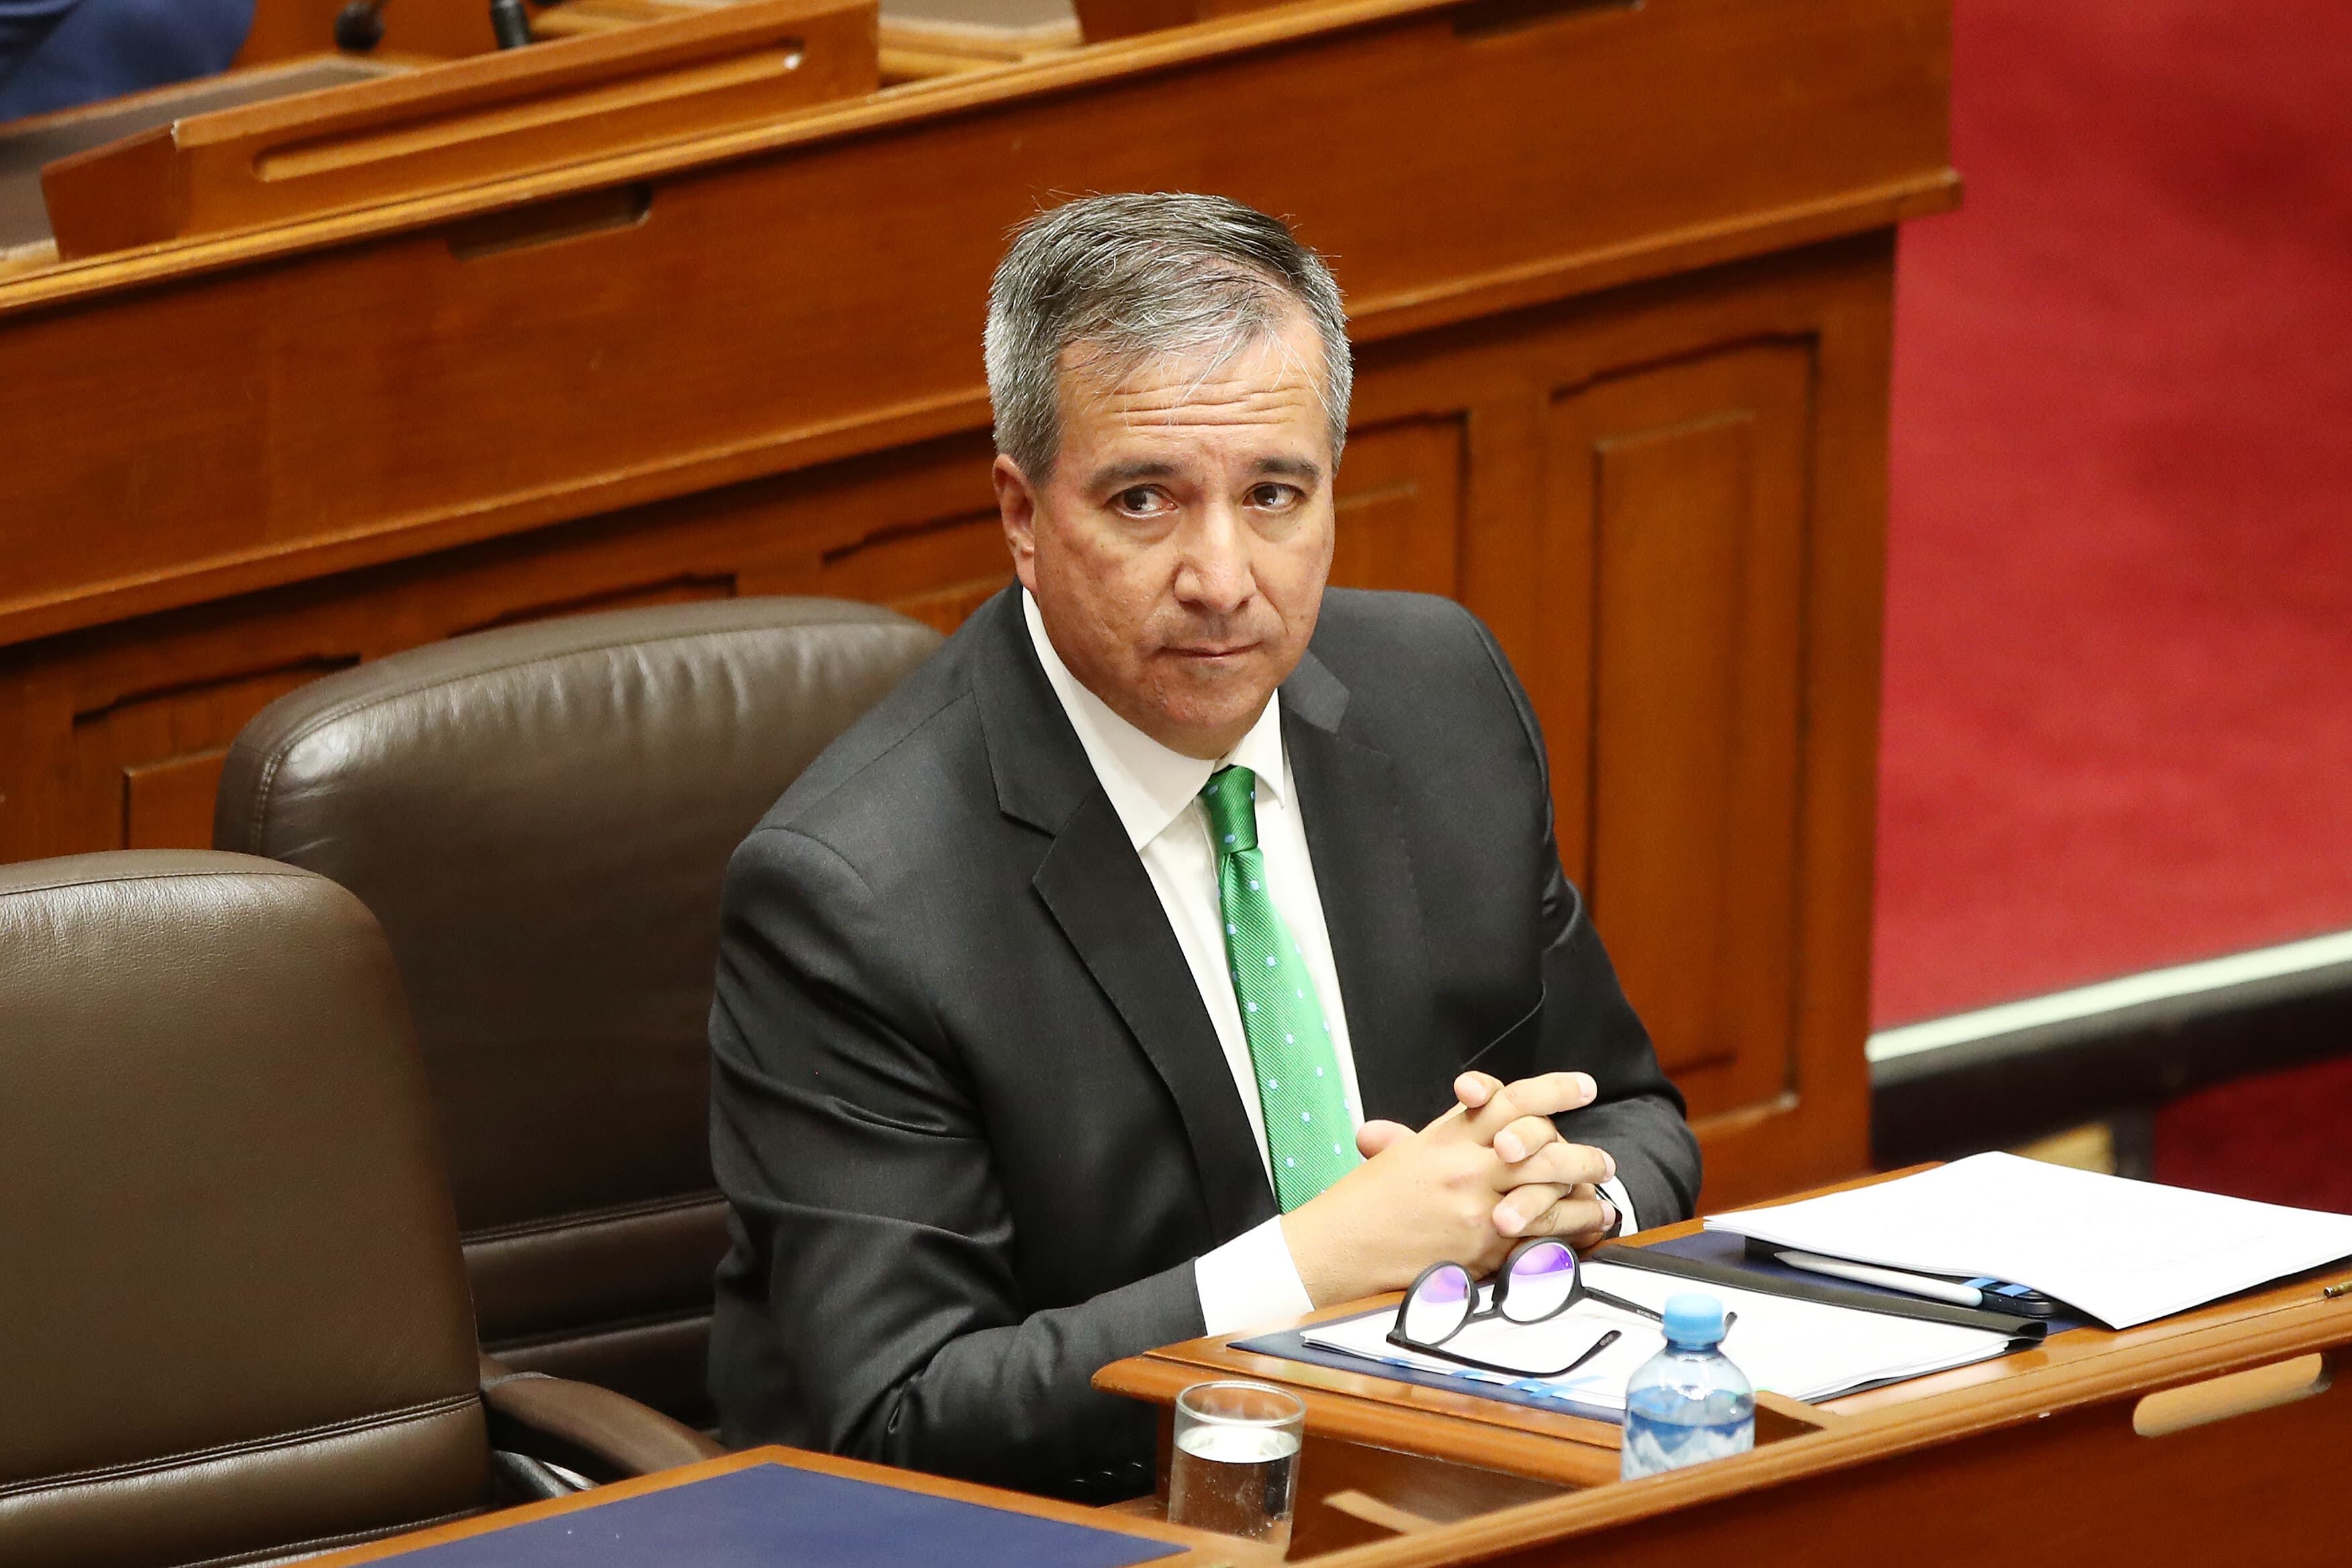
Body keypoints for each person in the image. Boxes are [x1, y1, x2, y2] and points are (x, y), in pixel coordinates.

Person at [707, 191, 1700, 1499]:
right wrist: (1311, 1265)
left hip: (1441, 1467)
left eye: (1273, 493)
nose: (1222, 575)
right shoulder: (852, 897)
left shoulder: (1440, 694)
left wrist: (1564, 1200)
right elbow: (897, 1414)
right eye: (1142, 501)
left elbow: (1635, 1116)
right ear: (1020, 511)